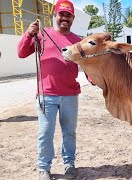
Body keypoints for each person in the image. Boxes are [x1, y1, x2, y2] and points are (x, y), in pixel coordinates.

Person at [17, 0, 81, 179]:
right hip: (47, 95)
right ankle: (43, 168)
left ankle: (70, 164)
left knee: (69, 132)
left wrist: (95, 80)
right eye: (61, 14)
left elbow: (87, 65)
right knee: (45, 132)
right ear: (54, 16)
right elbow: (21, 53)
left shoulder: (78, 40)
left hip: (70, 94)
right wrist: (29, 34)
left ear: (73, 18)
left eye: (68, 15)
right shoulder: (42, 34)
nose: (64, 18)